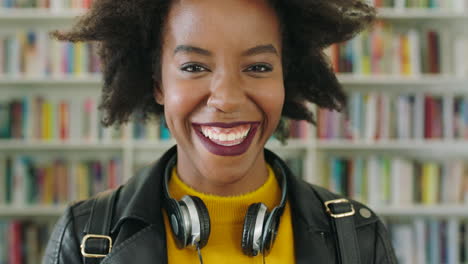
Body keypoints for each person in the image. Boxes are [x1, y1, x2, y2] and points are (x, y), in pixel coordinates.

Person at [42, 0, 397, 263]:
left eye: (258, 67)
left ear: (284, 80)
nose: (226, 99)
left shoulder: (357, 239)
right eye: (194, 66)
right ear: (158, 84)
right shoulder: (84, 235)